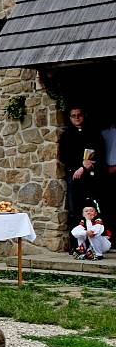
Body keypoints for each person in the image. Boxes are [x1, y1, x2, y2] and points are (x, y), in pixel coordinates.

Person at [58, 106, 107, 251]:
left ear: (83, 116)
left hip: (92, 176)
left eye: (79, 115)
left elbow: (100, 152)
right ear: (70, 118)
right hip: (76, 176)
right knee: (76, 209)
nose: (77, 117)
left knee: (94, 209)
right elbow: (64, 157)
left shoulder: (93, 133)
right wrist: (80, 166)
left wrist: (88, 166)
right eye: (73, 115)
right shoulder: (67, 135)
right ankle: (77, 245)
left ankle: (97, 245)